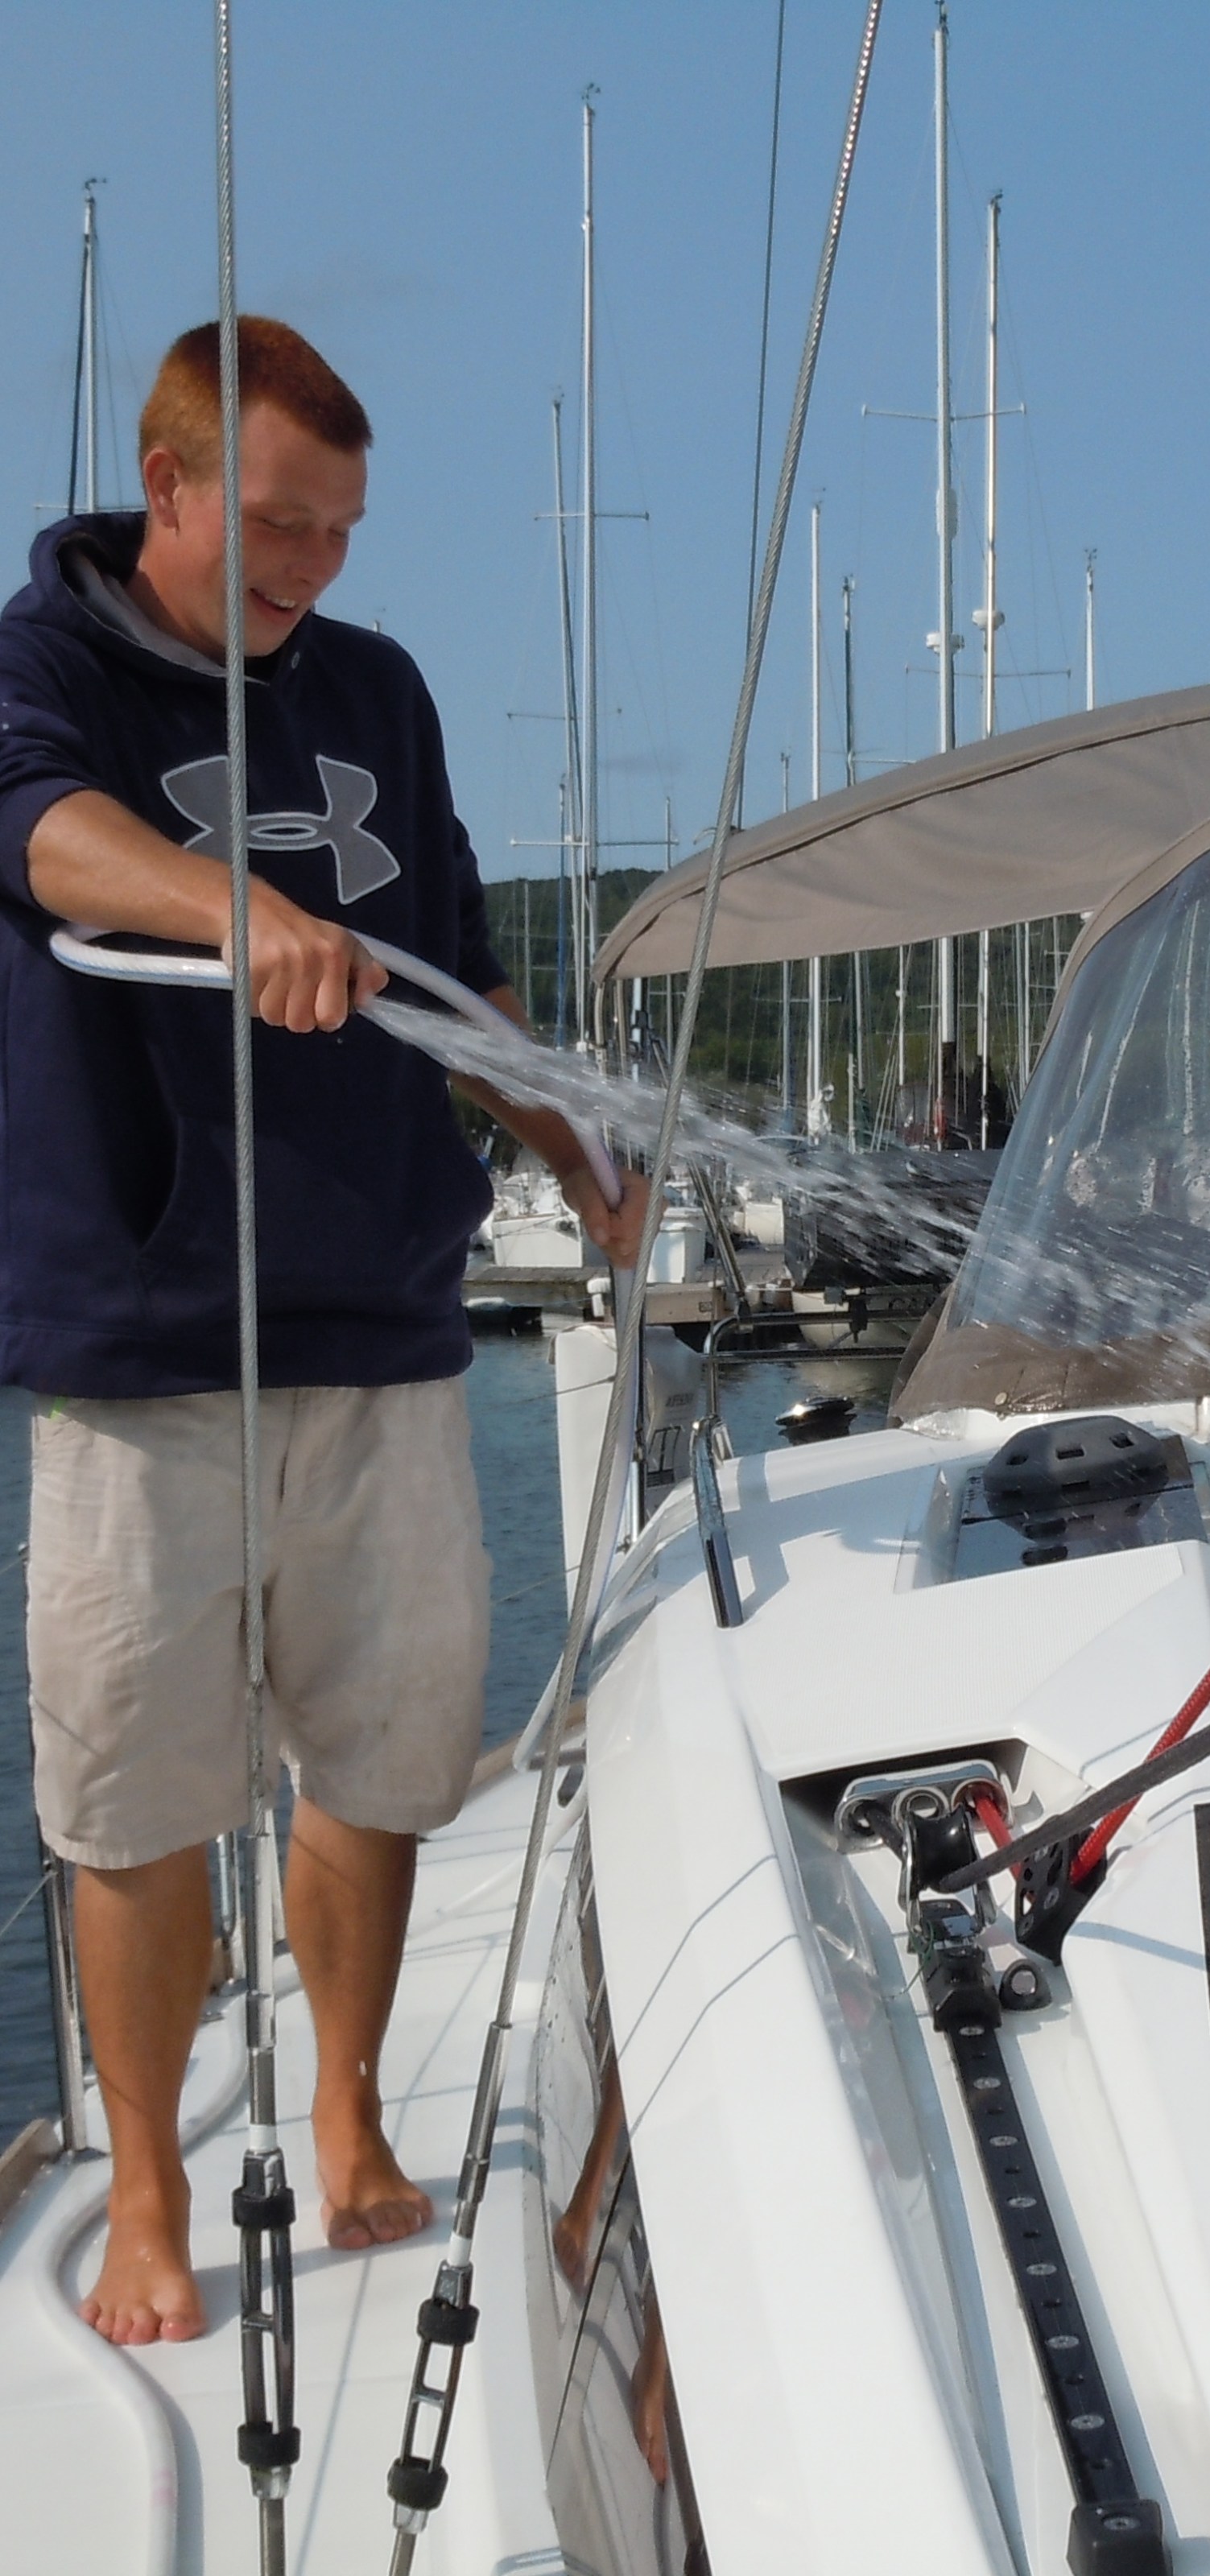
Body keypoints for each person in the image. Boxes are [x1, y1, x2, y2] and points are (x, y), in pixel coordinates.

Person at [0, 316, 646, 2346]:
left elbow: (448, 966)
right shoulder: (46, 662)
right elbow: (41, 833)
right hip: (147, 1340)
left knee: (381, 1757)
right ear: (170, 485)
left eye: (344, 529)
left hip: (383, 1317)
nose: (315, 566)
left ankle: (351, 2115)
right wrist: (235, 908)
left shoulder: (378, 690)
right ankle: (150, 2195)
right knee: (134, 1800)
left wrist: (574, 1134)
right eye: (281, 524)